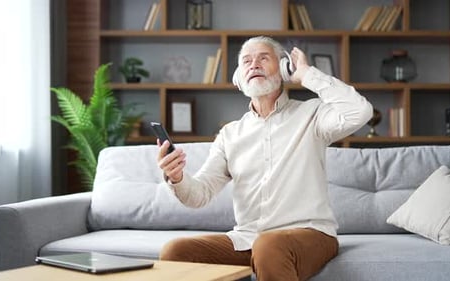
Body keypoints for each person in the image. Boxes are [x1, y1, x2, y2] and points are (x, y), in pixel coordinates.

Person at [156, 36, 373, 281]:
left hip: (310, 234)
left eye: (263, 58)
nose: (254, 64)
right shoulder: (230, 134)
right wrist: (177, 177)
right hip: (249, 239)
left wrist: (307, 74)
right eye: (246, 61)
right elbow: (199, 194)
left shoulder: (311, 115)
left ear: (283, 69)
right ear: (239, 77)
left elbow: (360, 111)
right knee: (176, 251)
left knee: (269, 246)